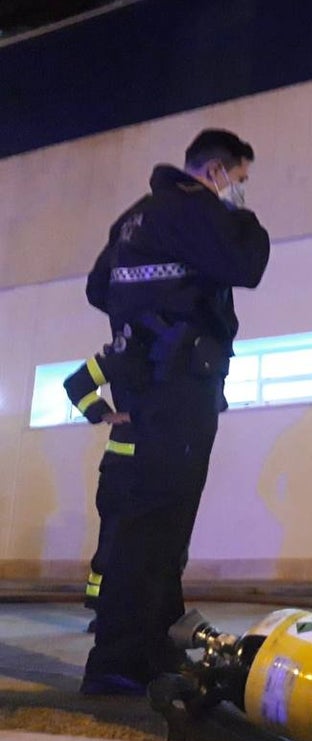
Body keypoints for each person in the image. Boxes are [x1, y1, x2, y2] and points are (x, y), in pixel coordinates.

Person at [80, 128, 270, 696]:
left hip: (147, 383)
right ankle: (118, 661)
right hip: (179, 386)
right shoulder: (196, 210)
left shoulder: (135, 218)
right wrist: (243, 216)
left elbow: (97, 289)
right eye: (237, 180)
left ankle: (152, 647)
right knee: (156, 524)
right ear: (214, 172)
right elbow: (250, 260)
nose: (237, 191)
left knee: (157, 523)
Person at [63, 351, 133, 632]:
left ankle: (138, 611)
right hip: (123, 470)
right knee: (114, 541)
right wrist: (102, 412)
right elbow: (76, 384)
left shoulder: (179, 356)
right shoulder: (122, 353)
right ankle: (104, 611)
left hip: (154, 469)